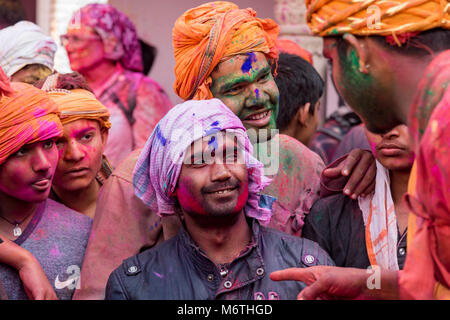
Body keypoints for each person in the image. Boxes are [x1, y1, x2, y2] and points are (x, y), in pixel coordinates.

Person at [73, 1, 374, 300]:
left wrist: (375, 174)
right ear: (201, 96)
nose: (259, 97)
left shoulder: (297, 160)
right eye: (235, 88)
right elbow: (100, 292)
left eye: (263, 77)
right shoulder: (138, 176)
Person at [271, 0, 450, 300]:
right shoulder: (432, 144)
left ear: (357, 53)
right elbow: (430, 287)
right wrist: (362, 282)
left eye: (331, 60)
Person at [105, 98, 334, 300]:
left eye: (232, 155)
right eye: (200, 162)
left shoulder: (306, 265)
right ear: (171, 183)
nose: (223, 172)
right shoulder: (134, 287)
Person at [0, 69, 92, 300]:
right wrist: (24, 260)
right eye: (21, 150)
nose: (44, 164)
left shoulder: (84, 235)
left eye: (50, 144)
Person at [62, 3, 172, 167]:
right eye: (66, 39)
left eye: (77, 39)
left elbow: (155, 160)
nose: (68, 47)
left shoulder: (141, 90)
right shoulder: (68, 90)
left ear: (110, 42)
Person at [302, 124, 414, 269]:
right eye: (376, 118)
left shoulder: (442, 210)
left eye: (404, 120)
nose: (388, 132)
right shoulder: (330, 214)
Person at [34, 72, 112, 218]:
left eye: (86, 137)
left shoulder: (137, 196)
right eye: (56, 143)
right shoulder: (19, 220)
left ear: (103, 137)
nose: (74, 155)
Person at [274, 52, 323, 147]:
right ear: (304, 113)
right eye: (318, 109)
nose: (318, 120)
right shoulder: (309, 161)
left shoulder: (244, 152)